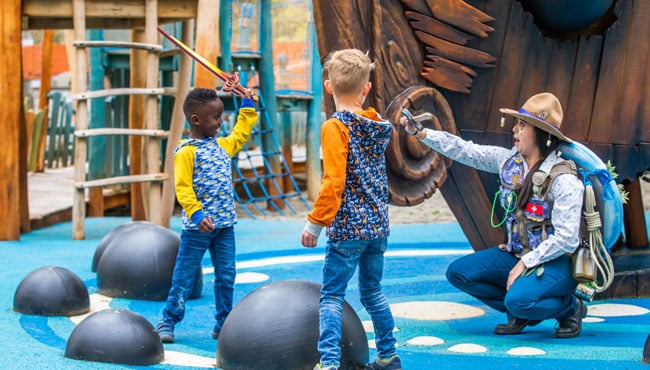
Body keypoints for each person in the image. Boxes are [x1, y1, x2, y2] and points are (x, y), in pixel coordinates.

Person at [401, 92, 587, 339]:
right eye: (517, 123)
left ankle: (570, 308)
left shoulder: (564, 179)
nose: (515, 130)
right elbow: (466, 151)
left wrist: (525, 263)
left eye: (523, 125)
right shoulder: (509, 162)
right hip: (517, 254)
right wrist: (422, 134)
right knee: (459, 273)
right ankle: (521, 308)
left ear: (542, 134)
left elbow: (567, 240)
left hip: (555, 262)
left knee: (519, 301)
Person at [301, 49, 401, 370]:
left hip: (348, 229)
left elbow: (334, 181)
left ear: (328, 86)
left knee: (331, 296)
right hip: (378, 225)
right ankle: (387, 356)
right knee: (373, 292)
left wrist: (315, 223)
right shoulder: (375, 125)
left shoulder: (336, 127)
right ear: (366, 88)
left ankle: (329, 363)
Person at [156, 82, 258, 343]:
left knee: (227, 275)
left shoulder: (223, 146)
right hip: (197, 229)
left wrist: (247, 104)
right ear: (196, 120)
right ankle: (168, 321)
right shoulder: (186, 152)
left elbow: (241, 133)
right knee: (184, 277)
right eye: (215, 117)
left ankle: (223, 322)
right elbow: (183, 189)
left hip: (225, 227)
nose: (220, 122)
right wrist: (197, 214)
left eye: (221, 115)